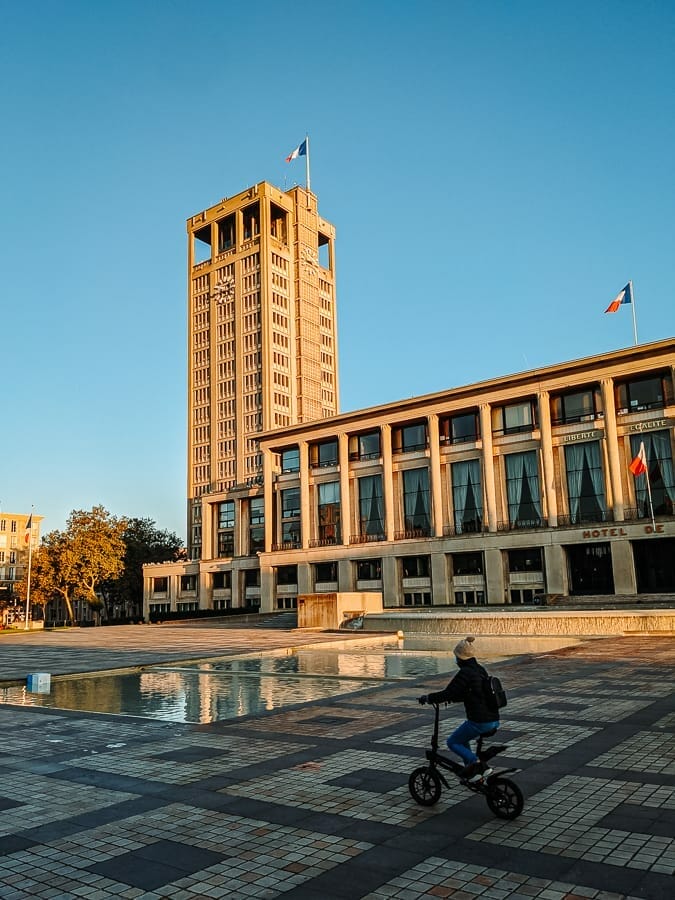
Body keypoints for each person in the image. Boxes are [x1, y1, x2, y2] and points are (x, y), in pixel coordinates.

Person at [418, 635, 500, 782]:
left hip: (479, 721)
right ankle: (471, 771)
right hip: (492, 719)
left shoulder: (465, 672)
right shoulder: (480, 670)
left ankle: (477, 765)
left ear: (460, 658)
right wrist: (453, 698)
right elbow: (471, 693)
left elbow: (448, 692)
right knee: (462, 738)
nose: (455, 660)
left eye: (456, 657)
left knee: (452, 742)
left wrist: (428, 698)